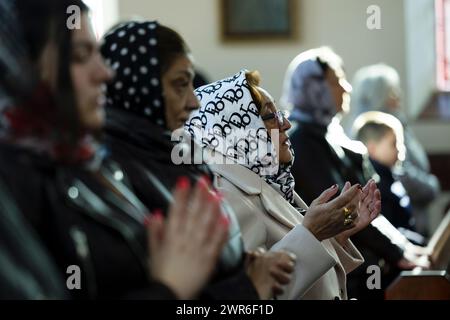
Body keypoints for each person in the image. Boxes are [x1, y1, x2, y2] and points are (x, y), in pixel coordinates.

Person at [0, 0, 237, 299]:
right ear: (20, 67)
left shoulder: (85, 161)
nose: (104, 73)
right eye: (79, 56)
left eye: (97, 54)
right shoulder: (14, 182)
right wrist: (169, 289)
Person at [100, 21, 296, 299]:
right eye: (180, 84)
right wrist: (247, 287)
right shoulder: (116, 173)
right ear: (140, 86)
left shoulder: (180, 162)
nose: (193, 102)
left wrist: (241, 265)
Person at [185, 69, 383, 300]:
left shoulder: (267, 183)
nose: (286, 124)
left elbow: (309, 274)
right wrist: (312, 232)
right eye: (271, 117)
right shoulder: (225, 197)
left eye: (281, 114)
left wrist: (336, 234)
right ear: (235, 130)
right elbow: (248, 297)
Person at [281, 47, 430, 299]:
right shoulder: (303, 142)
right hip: (343, 274)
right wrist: (398, 252)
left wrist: (402, 246)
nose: (347, 88)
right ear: (313, 87)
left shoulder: (326, 135)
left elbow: (365, 203)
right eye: (337, 80)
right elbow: (347, 208)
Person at [342, 64, 441, 236]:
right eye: (392, 92)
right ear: (378, 96)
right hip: (397, 227)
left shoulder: (395, 124)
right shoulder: (374, 132)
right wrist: (430, 186)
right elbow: (394, 174)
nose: (398, 97)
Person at [354, 111, 426, 245]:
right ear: (372, 148)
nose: (400, 150)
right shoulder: (375, 184)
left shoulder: (390, 176)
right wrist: (416, 244)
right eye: (394, 144)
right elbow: (388, 227)